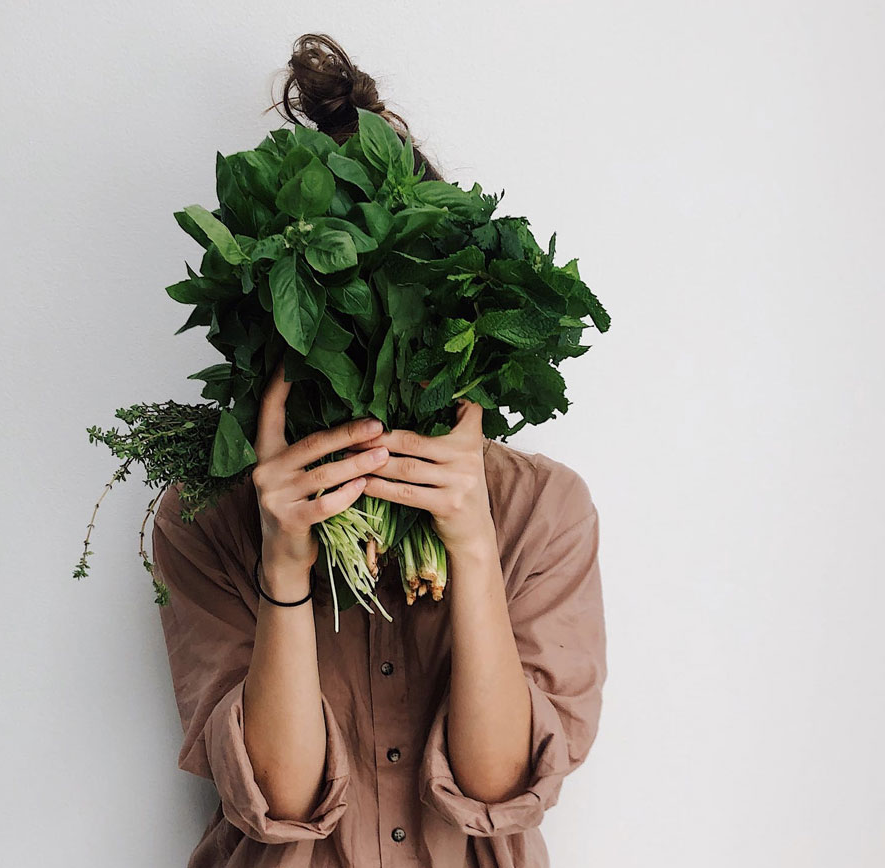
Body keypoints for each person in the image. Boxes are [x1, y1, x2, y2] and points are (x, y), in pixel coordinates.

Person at [151, 33, 608, 868]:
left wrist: (471, 543)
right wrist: (284, 564)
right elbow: (277, 804)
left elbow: (498, 790)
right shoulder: (205, 518)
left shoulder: (542, 510)